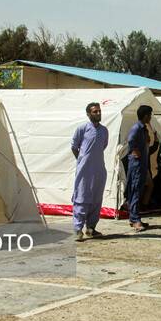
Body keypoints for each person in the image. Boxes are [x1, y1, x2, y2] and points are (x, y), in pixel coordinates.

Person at [71, 102, 109, 241]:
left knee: (96, 199)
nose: (98, 114)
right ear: (88, 114)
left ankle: (91, 228)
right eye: (95, 112)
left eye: (99, 111)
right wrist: (82, 161)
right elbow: (74, 147)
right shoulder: (82, 128)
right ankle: (77, 229)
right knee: (81, 197)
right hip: (84, 171)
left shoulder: (104, 130)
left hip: (99, 169)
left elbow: (103, 146)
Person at [125, 105, 153, 231]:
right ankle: (135, 219)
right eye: (150, 115)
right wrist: (135, 151)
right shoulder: (136, 128)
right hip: (136, 164)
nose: (151, 117)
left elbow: (147, 142)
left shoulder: (144, 129)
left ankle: (134, 217)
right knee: (135, 191)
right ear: (146, 115)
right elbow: (130, 141)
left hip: (142, 164)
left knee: (138, 191)